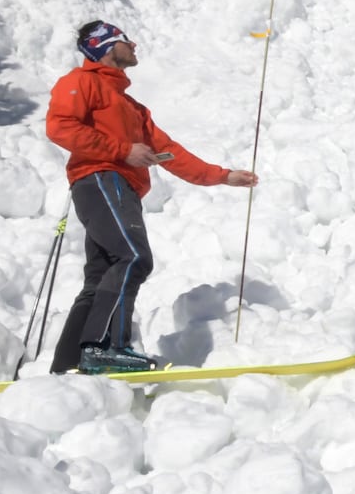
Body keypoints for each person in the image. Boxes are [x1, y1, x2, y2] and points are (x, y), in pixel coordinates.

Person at [44, 19, 257, 374]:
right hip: (101, 179)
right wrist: (123, 150)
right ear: (103, 47)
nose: (134, 45)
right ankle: (106, 348)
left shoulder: (132, 108)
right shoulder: (81, 81)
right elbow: (60, 126)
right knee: (133, 257)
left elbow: (169, 151)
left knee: (102, 274)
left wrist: (223, 176)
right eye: (125, 40)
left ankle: (68, 366)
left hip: (117, 186)